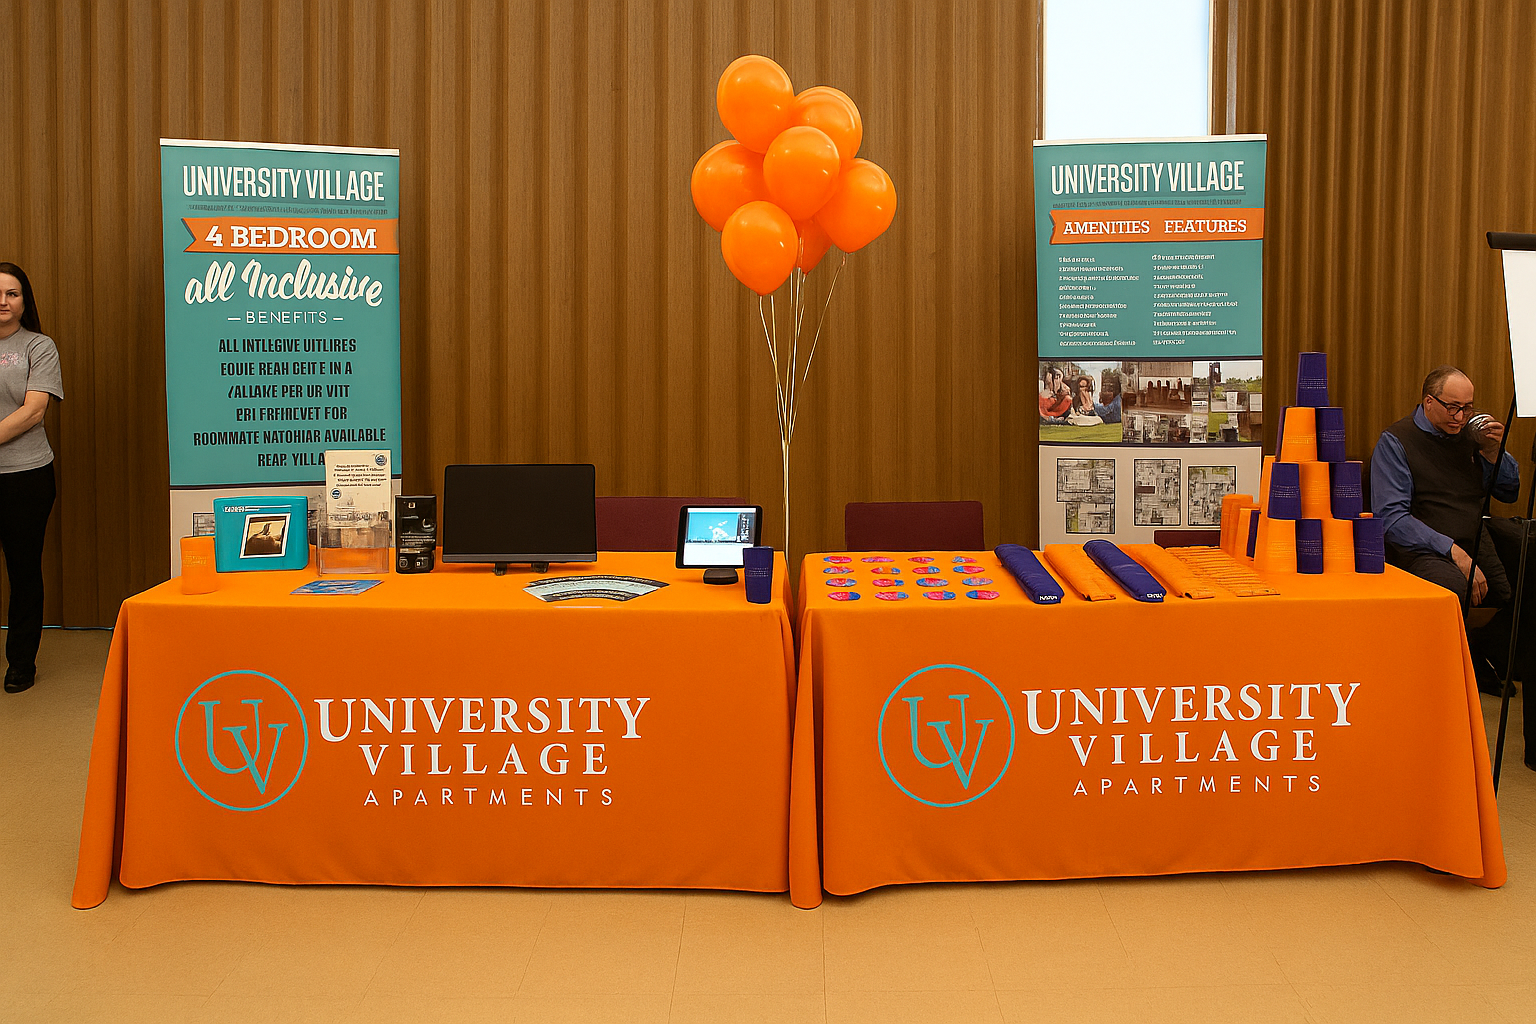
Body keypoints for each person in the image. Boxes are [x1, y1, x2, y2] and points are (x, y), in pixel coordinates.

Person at [1371, 366, 1535, 745]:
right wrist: (1453, 552)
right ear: (1429, 402)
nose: (1461, 417)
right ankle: (1447, 700)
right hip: (1420, 546)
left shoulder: (1470, 438)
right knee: (1451, 589)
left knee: (1522, 582)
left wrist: (1494, 451)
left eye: (1468, 407)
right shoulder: (1396, 441)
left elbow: (1508, 493)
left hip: (1473, 536)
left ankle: (1479, 654)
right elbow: (1391, 519)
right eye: (1452, 408)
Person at [0, 263, 63, 694]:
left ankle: (21, 662)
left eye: (12, 293)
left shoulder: (38, 347)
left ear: (25, 300)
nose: (3, 302)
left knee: (23, 572)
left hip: (25, 477)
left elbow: (33, 411)